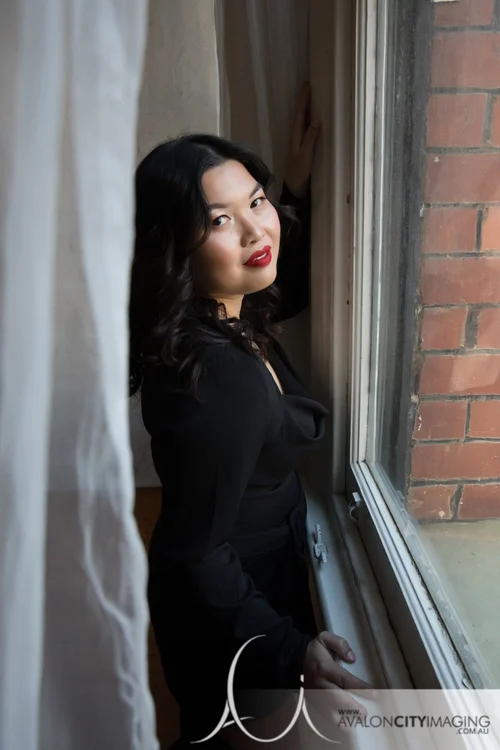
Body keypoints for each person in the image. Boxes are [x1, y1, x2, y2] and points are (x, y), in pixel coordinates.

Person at [129, 84, 376, 748]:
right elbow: (196, 551)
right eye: (219, 220)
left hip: (243, 583)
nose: (255, 230)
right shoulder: (222, 378)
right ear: (174, 245)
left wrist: (292, 187)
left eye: (256, 202)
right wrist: (290, 650)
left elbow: (275, 282)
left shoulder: (216, 318)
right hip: (230, 607)